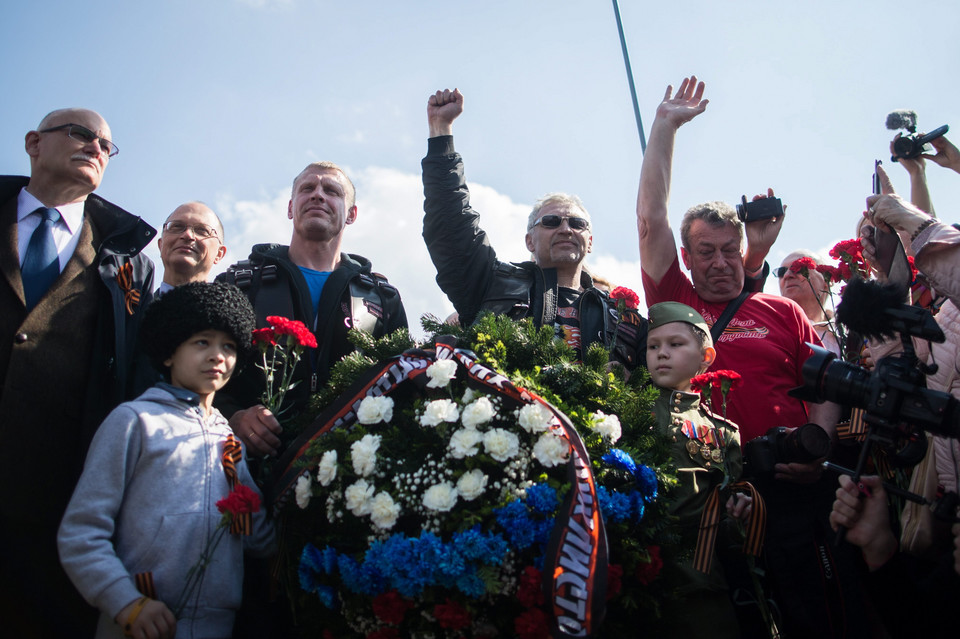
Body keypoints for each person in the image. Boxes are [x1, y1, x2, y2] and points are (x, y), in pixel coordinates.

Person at [635, 76, 867, 638]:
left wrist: (815, 447)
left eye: (729, 251)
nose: (720, 263)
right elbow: (651, 219)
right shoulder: (675, 302)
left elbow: (826, 386)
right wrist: (664, 128)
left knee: (826, 616)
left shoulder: (779, 310)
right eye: (706, 252)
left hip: (799, 491)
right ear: (686, 259)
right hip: (716, 501)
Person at [0, 108, 156, 636]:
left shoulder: (127, 260)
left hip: (59, 504)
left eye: (106, 145)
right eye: (80, 133)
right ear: (33, 143)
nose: (95, 146)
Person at [58, 282, 274, 639]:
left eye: (229, 346)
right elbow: (81, 532)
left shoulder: (229, 439)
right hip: (135, 623)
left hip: (218, 626)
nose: (218, 355)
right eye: (202, 341)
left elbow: (255, 536)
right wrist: (126, 602)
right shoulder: (134, 421)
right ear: (170, 353)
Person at [421, 88, 646, 371]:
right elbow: (450, 224)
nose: (566, 229)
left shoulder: (622, 318)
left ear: (590, 242)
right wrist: (441, 132)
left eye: (577, 224)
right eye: (551, 222)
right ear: (529, 240)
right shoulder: (491, 284)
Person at [216, 161, 407, 458]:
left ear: (351, 214)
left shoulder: (382, 299)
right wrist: (233, 417)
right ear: (291, 208)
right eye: (308, 188)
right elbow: (198, 376)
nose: (318, 195)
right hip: (248, 469)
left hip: (349, 469)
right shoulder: (240, 285)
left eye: (331, 191)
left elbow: (400, 388)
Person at [646, 301, 754, 638]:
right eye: (653, 346)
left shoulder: (723, 431)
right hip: (637, 576)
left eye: (675, 344)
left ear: (706, 357)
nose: (662, 354)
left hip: (699, 582)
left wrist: (741, 513)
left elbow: (727, 514)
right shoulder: (624, 406)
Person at [776, 250, 841, 356]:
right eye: (781, 272)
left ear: (827, 280)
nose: (787, 275)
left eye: (798, 268)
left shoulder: (852, 334)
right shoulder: (768, 328)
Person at [156, 201, 227, 294]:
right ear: (161, 245)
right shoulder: (134, 306)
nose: (187, 235)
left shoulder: (237, 307)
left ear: (219, 253)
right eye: (177, 226)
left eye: (202, 230)